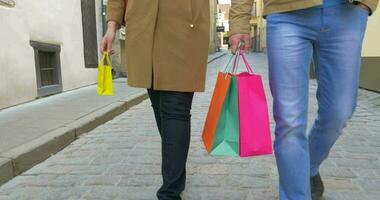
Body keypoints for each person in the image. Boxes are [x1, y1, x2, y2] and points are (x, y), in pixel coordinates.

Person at [229, 0, 378, 199]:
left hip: (347, 13)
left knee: (340, 112)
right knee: (289, 120)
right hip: (286, 13)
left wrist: (367, 3)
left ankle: (307, 167)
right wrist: (240, 21)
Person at [101, 0, 210, 199]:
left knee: (175, 108)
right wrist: (112, 25)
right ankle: (176, 176)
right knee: (160, 105)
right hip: (142, 25)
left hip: (184, 22)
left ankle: (170, 193)